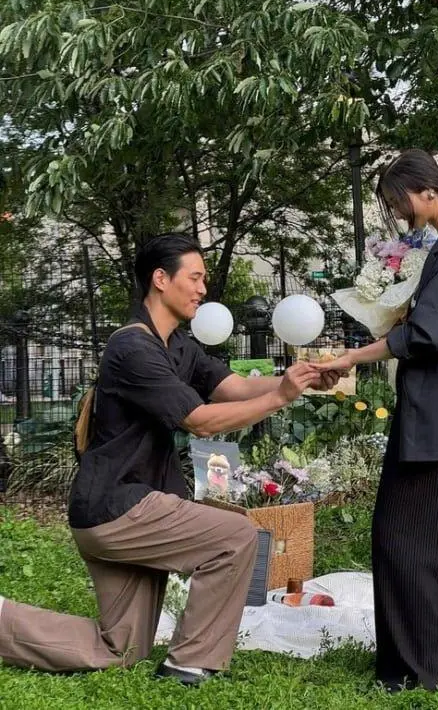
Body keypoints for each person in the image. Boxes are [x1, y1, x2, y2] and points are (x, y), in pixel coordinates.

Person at [0, 233, 338, 686]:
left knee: (121, 648)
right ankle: (189, 663)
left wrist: (301, 379)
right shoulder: (133, 349)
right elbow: (199, 421)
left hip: (126, 506)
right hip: (118, 507)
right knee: (236, 535)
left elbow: (234, 388)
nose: (202, 289)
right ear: (161, 279)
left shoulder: (177, 345)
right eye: (194, 278)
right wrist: (281, 397)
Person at [314, 149, 438, 693]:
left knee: (404, 536)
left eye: (398, 201)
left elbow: (435, 334)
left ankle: (420, 667)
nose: (398, 213)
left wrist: (357, 354)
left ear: (427, 190)